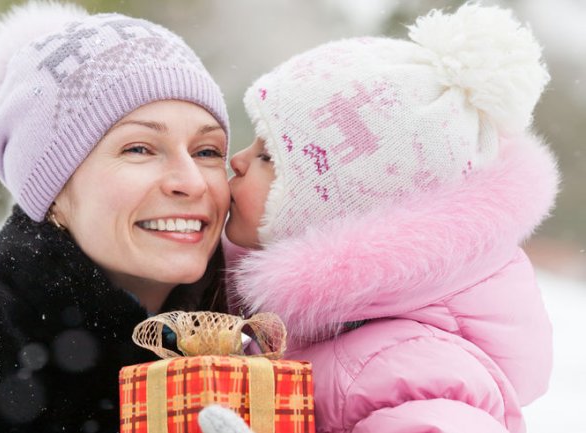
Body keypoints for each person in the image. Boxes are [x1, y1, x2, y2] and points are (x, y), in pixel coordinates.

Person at [202, 4, 558, 433]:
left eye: (267, 156)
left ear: (334, 210)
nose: (237, 161)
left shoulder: (417, 371)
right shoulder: (322, 328)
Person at [0, 2, 230, 432]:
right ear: (53, 189)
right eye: (139, 148)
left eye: (207, 151)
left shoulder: (259, 344)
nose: (192, 183)